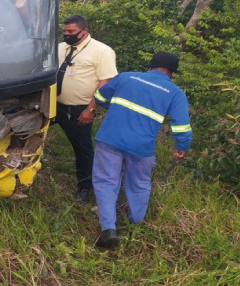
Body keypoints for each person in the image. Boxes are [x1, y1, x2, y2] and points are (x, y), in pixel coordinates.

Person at [91, 51, 192, 248]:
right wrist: (182, 147)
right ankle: (135, 225)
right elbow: (182, 127)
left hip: (110, 138)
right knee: (139, 184)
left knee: (106, 181)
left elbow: (100, 96)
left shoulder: (126, 77)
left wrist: (114, 108)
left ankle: (108, 229)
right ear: (172, 73)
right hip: (141, 147)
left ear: (150, 66)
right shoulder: (176, 94)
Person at [56, 15, 118, 203]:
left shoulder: (102, 51)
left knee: (82, 148)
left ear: (84, 31)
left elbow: (105, 82)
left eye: (71, 32)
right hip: (54, 105)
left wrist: (90, 109)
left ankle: (85, 186)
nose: (67, 35)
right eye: (65, 31)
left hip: (80, 109)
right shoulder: (60, 48)